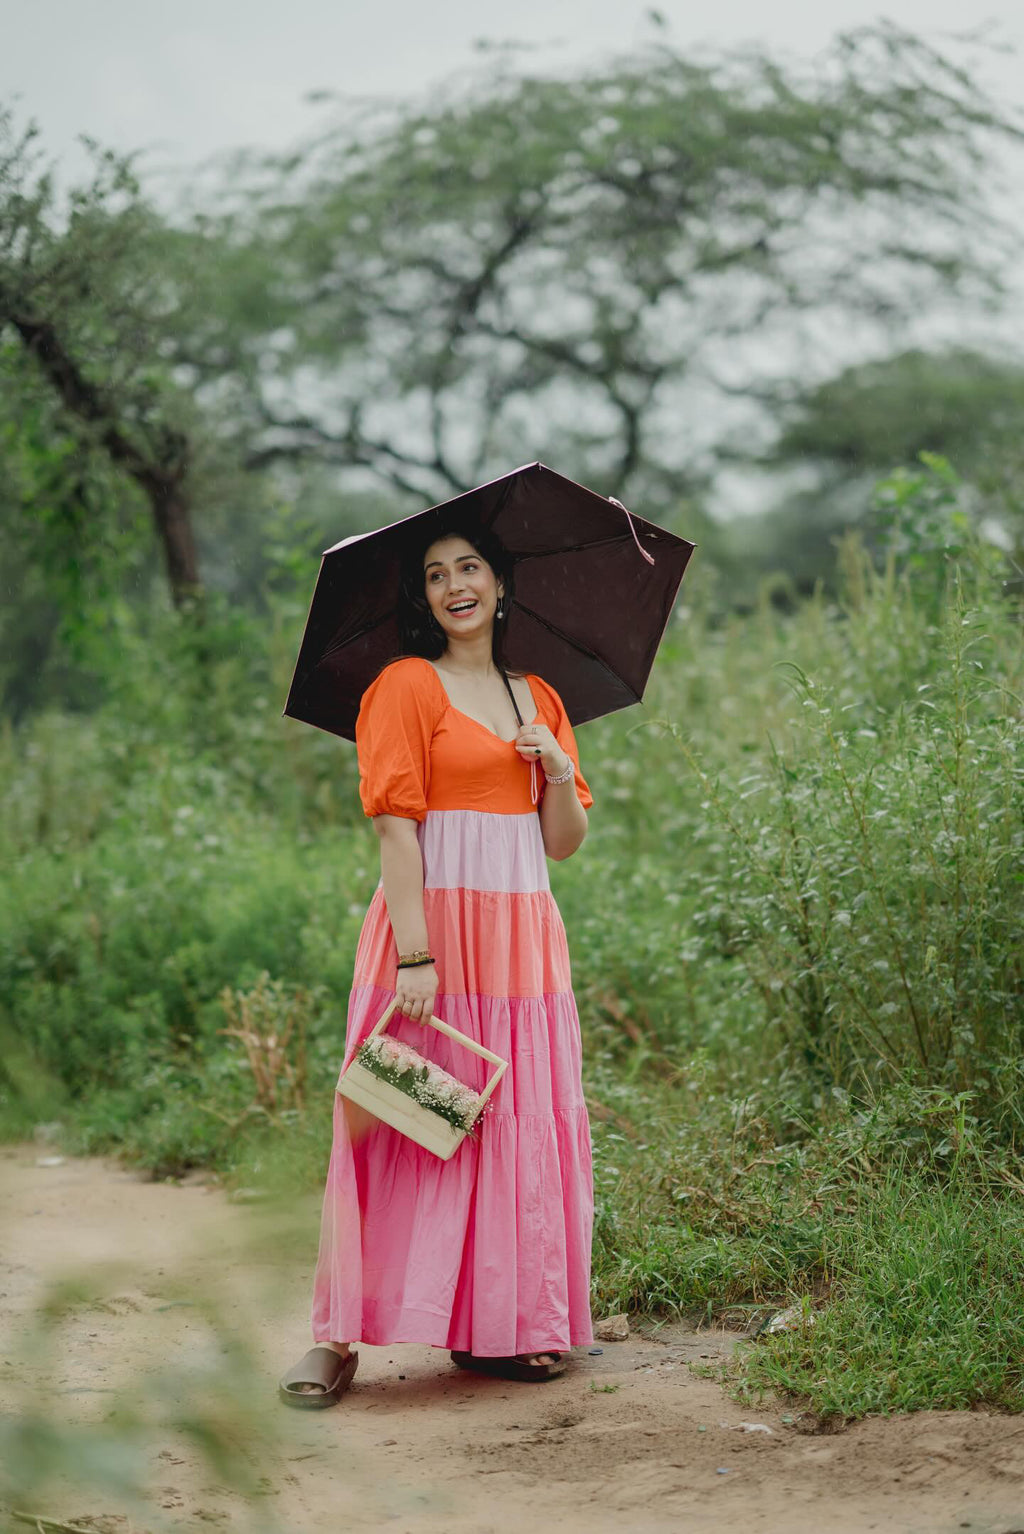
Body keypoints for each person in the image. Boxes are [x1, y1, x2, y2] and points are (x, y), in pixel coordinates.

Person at [278, 519, 594, 1407]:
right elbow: (394, 828)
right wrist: (416, 955)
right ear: (422, 599)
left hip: (522, 936)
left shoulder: (538, 697)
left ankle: (507, 1325)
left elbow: (562, 844)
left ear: (501, 583)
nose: (455, 584)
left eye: (470, 567)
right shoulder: (406, 687)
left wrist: (559, 770)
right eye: (435, 574)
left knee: (510, 1120)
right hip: (433, 931)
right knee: (393, 1112)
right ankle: (336, 1338)